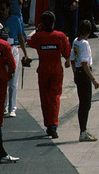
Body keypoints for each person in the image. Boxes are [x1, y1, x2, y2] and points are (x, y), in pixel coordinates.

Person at [26, 11, 71, 139]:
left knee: (45, 98)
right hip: (56, 69)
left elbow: (30, 42)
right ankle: (53, 125)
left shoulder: (39, 36)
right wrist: (67, 60)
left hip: (43, 69)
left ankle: (49, 124)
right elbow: (67, 52)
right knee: (55, 97)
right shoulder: (60, 36)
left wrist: (37, 30)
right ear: (53, 22)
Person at [70, 20, 99, 142]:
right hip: (84, 75)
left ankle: (83, 130)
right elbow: (84, 63)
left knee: (83, 103)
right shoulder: (85, 44)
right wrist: (93, 79)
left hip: (78, 73)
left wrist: (75, 72)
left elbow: (72, 59)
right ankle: (83, 131)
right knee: (86, 104)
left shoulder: (76, 41)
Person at [0, 0, 30, 118]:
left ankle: (13, 107)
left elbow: (20, 36)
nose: (2, 12)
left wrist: (25, 54)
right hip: (1, 50)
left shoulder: (15, 19)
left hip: (12, 49)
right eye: (0, 9)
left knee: (13, 82)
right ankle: (5, 107)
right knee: (3, 81)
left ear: (8, 8)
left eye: (3, 9)